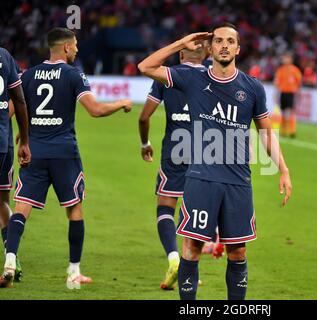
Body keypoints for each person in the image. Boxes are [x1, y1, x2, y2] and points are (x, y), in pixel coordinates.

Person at [138, 23, 292, 300]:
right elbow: (145, 67)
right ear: (210, 48)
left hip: (238, 181)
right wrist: (180, 42)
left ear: (237, 48)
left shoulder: (253, 88)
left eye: (229, 41)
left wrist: (283, 168)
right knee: (192, 247)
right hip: (201, 178)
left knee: (238, 251)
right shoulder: (192, 80)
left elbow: (267, 134)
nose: (224, 45)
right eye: (218, 40)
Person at [0, 27, 132, 289]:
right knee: (74, 210)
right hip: (64, 153)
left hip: (34, 152)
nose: (78, 50)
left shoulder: (28, 75)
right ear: (66, 48)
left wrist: (23, 137)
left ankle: (10, 261)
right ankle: (73, 274)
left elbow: (10, 113)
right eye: (75, 46)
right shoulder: (73, 74)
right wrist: (121, 103)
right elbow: (94, 110)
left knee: (22, 208)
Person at [138, 46, 209, 290]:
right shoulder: (214, 77)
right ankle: (192, 271)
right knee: (195, 211)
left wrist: (145, 143)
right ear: (207, 56)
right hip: (205, 150)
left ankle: (174, 258)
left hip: (174, 149)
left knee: (165, 206)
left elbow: (144, 117)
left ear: (180, 55)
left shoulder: (166, 75)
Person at [0, 48, 31, 283]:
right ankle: (11, 259)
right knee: (1, 201)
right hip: (4, 142)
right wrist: (25, 139)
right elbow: (18, 98)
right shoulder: (4, 56)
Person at [274, 52, 302, 138]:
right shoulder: (280, 70)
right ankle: (283, 131)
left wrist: (298, 92)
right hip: (283, 93)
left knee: (290, 112)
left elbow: (299, 82)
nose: (284, 60)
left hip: (291, 93)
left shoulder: (295, 70)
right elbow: (277, 82)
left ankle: (292, 131)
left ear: (291, 59)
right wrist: (276, 94)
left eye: (286, 58)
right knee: (283, 113)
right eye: (284, 58)